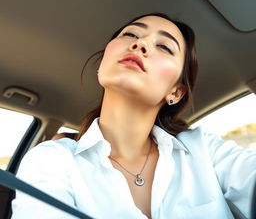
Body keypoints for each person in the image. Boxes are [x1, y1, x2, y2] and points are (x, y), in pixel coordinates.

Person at [11, 13, 256, 219]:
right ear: (103, 63)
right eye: (131, 34)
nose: (140, 45)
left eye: (164, 46)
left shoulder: (205, 150)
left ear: (175, 92)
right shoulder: (52, 160)